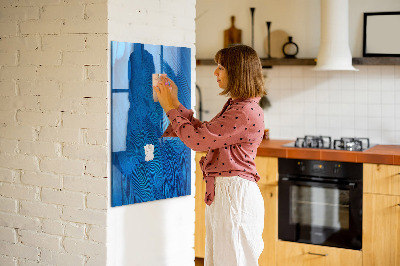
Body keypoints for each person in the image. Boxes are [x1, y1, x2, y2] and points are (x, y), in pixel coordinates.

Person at [154, 44, 266, 266]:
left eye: (221, 67)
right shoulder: (239, 106)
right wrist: (175, 103)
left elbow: (197, 141)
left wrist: (169, 107)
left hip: (234, 195)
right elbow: (204, 133)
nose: (215, 72)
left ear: (237, 72)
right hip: (228, 193)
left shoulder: (243, 111)